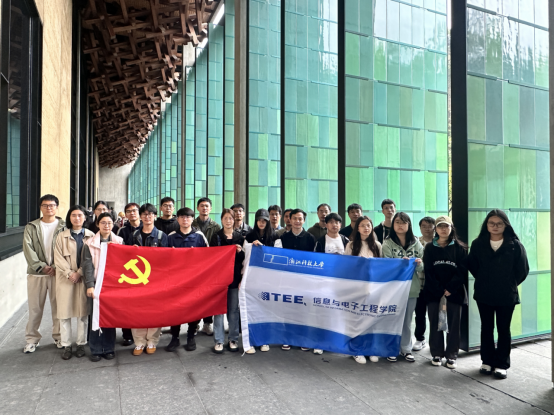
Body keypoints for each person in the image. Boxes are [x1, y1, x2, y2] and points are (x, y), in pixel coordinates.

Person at [468, 210, 529, 380]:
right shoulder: (478, 243)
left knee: (503, 329)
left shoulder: (515, 245)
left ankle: (502, 364)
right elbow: (473, 265)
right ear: (486, 225)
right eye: (491, 223)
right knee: (486, 328)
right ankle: (487, 361)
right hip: (484, 293)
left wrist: (509, 283)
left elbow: (523, 270)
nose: (495, 226)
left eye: (499, 223)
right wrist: (484, 279)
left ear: (505, 225)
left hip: (506, 295)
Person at [422, 216, 468, 370]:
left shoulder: (460, 248)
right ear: (436, 229)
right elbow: (428, 270)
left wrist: (450, 288)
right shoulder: (430, 248)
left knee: (454, 326)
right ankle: (436, 353)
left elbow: (462, 271)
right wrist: (438, 289)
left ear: (451, 228)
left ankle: (452, 355)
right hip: (434, 293)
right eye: (440, 226)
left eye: (446, 226)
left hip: (454, 293)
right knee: (435, 323)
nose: (443, 229)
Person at [22, 194, 66, 354]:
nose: (49, 208)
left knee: (58, 308)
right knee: (35, 309)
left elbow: (66, 249)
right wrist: (41, 266)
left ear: (57, 207)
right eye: (45, 205)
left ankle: (59, 337)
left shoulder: (64, 226)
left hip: (57, 273)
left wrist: (55, 266)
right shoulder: (31, 226)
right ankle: (32, 340)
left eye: (52, 205)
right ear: (40, 207)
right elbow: (27, 248)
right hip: (37, 274)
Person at [165, 207, 209, 353]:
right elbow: (162, 259)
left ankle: (191, 336)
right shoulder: (170, 237)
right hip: (175, 281)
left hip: (193, 281)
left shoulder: (199, 236)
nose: (185, 220)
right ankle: (175, 337)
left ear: (192, 219)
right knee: (174, 309)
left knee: (193, 309)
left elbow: (208, 257)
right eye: (182, 217)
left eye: (188, 217)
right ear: (177, 219)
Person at [382, 212, 424, 364]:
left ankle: (406, 349)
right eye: (397, 222)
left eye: (404, 222)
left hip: (411, 288)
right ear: (393, 225)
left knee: (407, 321)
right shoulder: (387, 243)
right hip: (393, 289)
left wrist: (418, 264)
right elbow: (386, 265)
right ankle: (391, 349)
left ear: (409, 225)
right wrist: (400, 263)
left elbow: (423, 267)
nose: (400, 225)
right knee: (392, 320)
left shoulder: (416, 243)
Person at [54, 205, 95, 360]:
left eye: (80, 215)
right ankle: (66, 345)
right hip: (65, 280)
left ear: (85, 218)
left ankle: (80, 344)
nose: (77, 218)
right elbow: (58, 258)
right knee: (64, 314)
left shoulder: (91, 236)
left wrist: (79, 273)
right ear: (69, 217)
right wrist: (70, 273)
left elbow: (93, 259)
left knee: (82, 313)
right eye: (74, 215)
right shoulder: (61, 236)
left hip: (83, 279)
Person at [82, 212, 124, 362]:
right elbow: (87, 266)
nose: (107, 226)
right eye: (103, 223)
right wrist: (90, 285)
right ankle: (95, 349)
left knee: (109, 317)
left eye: (109, 223)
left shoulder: (119, 241)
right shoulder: (89, 243)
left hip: (112, 286)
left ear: (114, 224)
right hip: (96, 285)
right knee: (95, 317)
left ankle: (109, 348)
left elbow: (123, 264)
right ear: (98, 224)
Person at [275, 209, 317, 353]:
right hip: (288, 280)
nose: (297, 221)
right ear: (290, 220)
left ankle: (303, 338)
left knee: (303, 310)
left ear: (304, 220)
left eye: (300, 219)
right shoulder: (283, 238)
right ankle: (287, 338)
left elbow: (314, 259)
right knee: (288, 309)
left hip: (305, 280)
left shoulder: (310, 238)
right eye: (294, 218)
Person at [130, 204, 169, 356]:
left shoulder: (161, 236)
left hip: (155, 279)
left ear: (155, 216)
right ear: (140, 216)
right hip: (137, 278)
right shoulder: (133, 235)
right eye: (144, 214)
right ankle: (139, 342)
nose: (147, 217)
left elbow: (166, 259)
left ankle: (152, 340)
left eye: (150, 214)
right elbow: (125, 257)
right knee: (137, 310)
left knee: (154, 310)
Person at [344, 216, 382, 364]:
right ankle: (356, 349)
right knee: (356, 319)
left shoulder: (377, 245)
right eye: (362, 225)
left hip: (373, 288)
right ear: (357, 228)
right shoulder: (351, 245)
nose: (366, 228)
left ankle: (370, 348)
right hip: (356, 288)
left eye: (368, 225)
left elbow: (382, 266)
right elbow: (346, 266)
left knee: (371, 318)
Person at [210, 209, 245, 354]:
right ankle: (218, 340)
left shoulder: (240, 237)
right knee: (218, 310)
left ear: (234, 220)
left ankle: (233, 339)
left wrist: (240, 251)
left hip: (234, 278)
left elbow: (244, 259)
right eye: (225, 218)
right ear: (221, 220)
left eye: (230, 218)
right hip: (219, 279)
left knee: (233, 310)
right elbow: (211, 257)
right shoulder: (216, 237)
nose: (228, 221)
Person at [243, 209, 277, 355]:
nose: (262, 223)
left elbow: (278, 255)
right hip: (252, 278)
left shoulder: (275, 236)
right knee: (252, 309)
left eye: (264, 220)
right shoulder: (249, 236)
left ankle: (264, 340)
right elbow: (244, 255)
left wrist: (263, 248)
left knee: (265, 309)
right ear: (256, 221)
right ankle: (250, 339)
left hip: (268, 279)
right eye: (259, 220)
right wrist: (251, 246)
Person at [192, 197, 222, 335]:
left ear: (210, 209)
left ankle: (207, 323)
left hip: (210, 266)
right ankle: (194, 323)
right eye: (202, 206)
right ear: (197, 208)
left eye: (207, 206)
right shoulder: (191, 223)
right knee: (194, 296)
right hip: (194, 266)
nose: (204, 208)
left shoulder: (216, 226)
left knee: (208, 295)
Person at [116, 202, 142, 346]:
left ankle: (142, 333)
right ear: (125, 214)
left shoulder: (146, 227)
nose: (132, 213)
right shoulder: (122, 230)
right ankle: (127, 335)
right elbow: (118, 250)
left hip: (144, 271)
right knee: (126, 305)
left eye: (134, 210)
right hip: (127, 272)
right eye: (129, 211)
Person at [413, 217, 436, 352]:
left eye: (430, 226)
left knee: (436, 314)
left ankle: (436, 341)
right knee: (420, 313)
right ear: (420, 228)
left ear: (434, 227)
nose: (427, 228)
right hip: (420, 283)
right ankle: (420, 338)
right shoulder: (415, 242)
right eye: (424, 226)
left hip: (435, 285)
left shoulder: (439, 242)